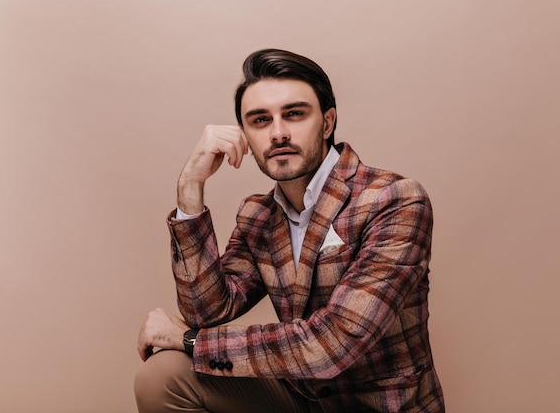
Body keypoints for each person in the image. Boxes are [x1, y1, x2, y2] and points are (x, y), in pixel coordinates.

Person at [135, 48, 445, 413]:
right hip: (304, 400)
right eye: (260, 120)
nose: (278, 133)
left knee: (187, 353)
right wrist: (190, 190)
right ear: (245, 137)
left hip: (378, 406)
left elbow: (335, 343)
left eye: (294, 114)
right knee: (163, 376)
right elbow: (207, 311)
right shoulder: (259, 215)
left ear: (327, 123)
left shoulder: (394, 199)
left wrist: (190, 341)